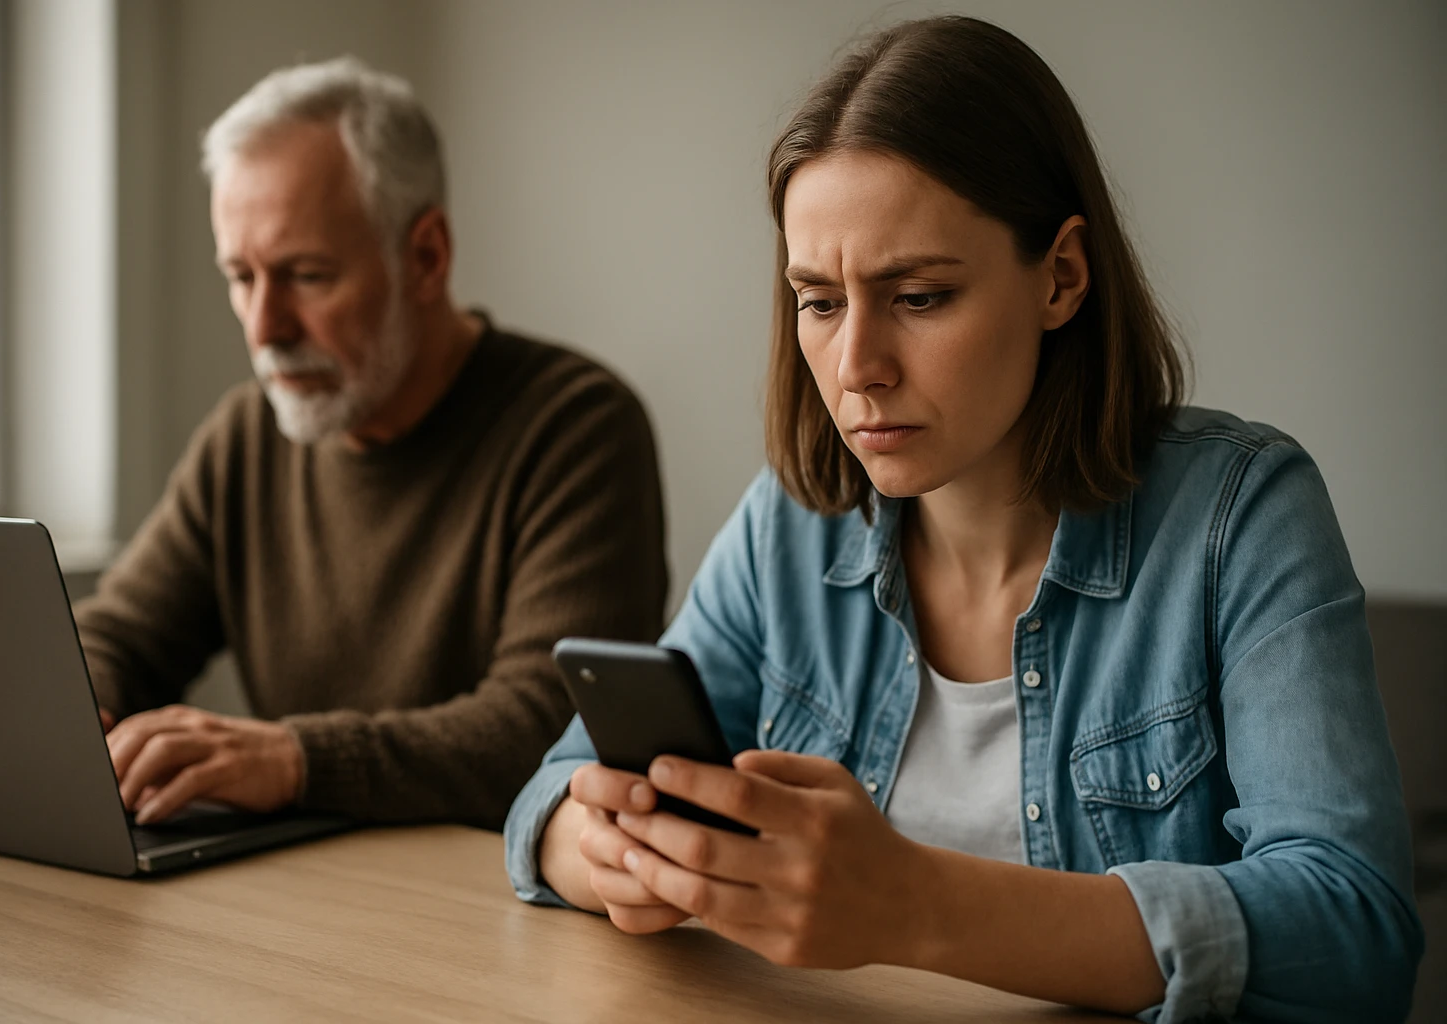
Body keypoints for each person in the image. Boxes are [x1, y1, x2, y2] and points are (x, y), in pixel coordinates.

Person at [505, 16, 1420, 1023]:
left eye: (920, 295)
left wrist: (914, 905)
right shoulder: (792, 525)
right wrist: (611, 852)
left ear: (1062, 277)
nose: (856, 367)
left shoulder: (1241, 515)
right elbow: (551, 796)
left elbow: (1357, 932)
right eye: (819, 300)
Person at [75, 57, 667, 830]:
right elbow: (119, 633)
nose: (264, 330)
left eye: (307, 276)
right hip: (307, 895)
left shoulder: (576, 425)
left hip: (496, 905)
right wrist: (74, 707)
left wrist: (296, 760)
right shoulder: (246, 436)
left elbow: (550, 725)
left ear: (426, 257)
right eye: (242, 277)